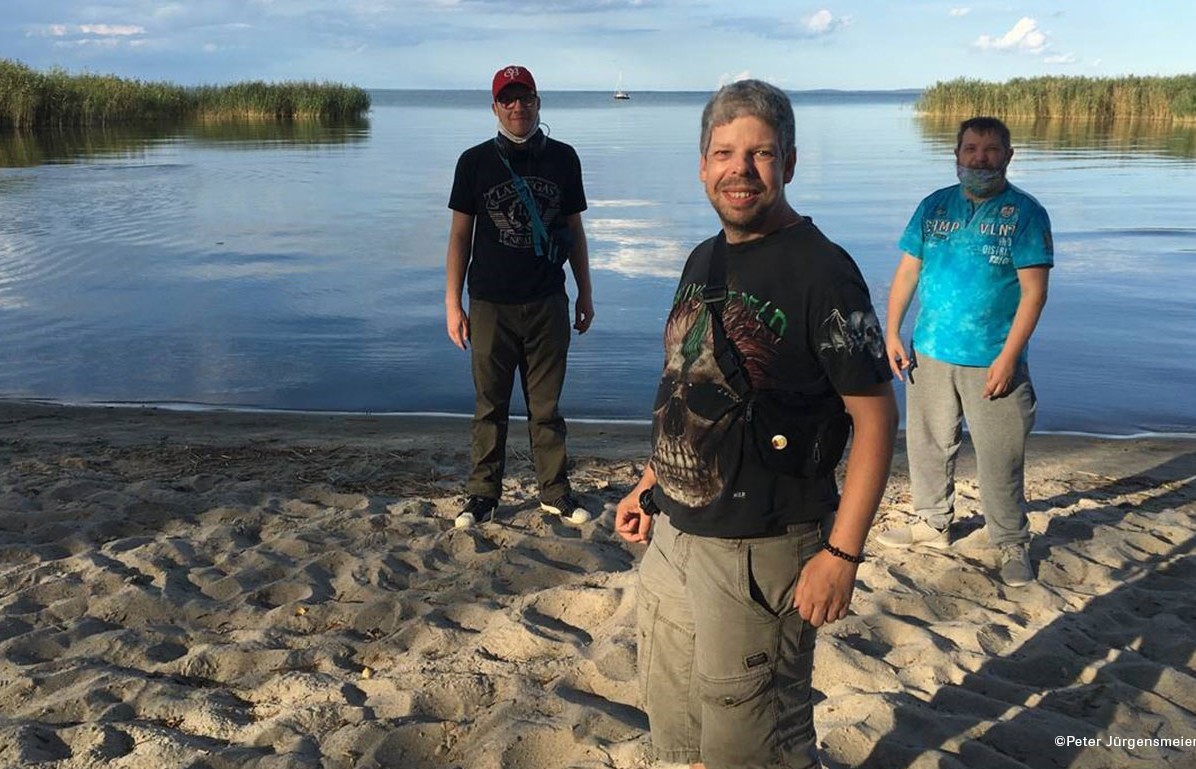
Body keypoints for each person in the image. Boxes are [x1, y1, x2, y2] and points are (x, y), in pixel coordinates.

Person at [614, 80, 897, 769]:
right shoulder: (702, 259)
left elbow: (877, 419)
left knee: (757, 742)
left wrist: (842, 554)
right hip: (677, 536)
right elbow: (686, 386)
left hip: (761, 552)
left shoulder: (824, 274)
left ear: (789, 164)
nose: (740, 169)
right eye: (724, 153)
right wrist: (648, 485)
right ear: (703, 166)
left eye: (761, 153)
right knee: (683, 729)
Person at [874, 116, 1053, 588]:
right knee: (928, 445)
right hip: (929, 350)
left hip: (993, 357)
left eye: (991, 150)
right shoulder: (934, 207)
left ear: (1008, 156)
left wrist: (1010, 356)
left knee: (1000, 455)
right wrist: (892, 332)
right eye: (971, 149)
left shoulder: (1026, 214)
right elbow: (908, 272)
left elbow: (1034, 293)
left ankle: (1011, 541)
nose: (980, 158)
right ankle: (933, 525)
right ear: (956, 156)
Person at [444, 65, 595, 529]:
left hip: (548, 301)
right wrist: (453, 303)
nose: (517, 107)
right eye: (507, 99)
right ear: (495, 107)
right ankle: (483, 494)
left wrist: (585, 290)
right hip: (489, 302)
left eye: (524, 98)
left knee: (546, 407)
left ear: (538, 103)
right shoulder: (474, 161)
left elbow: (575, 231)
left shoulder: (565, 159)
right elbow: (459, 236)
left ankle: (555, 492)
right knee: (489, 406)